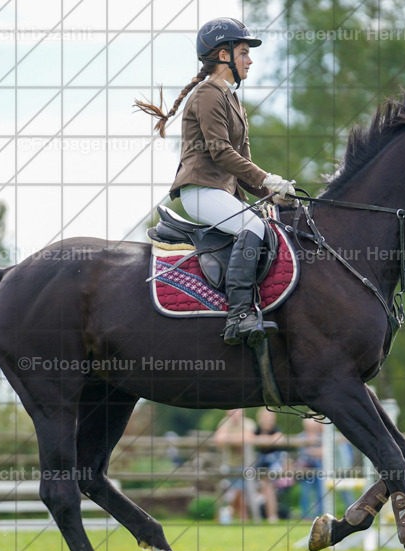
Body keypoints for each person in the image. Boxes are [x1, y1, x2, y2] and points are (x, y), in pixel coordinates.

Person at [135, 17, 298, 346]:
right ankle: (238, 316)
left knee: (271, 223)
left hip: (221, 191)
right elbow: (221, 152)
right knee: (252, 228)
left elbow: (244, 165)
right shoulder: (208, 93)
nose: (249, 59)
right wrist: (269, 178)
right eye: (243, 52)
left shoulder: (234, 101)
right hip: (200, 190)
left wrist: (273, 191)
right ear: (224, 55)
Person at [214, 408, 257, 522]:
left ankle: (242, 517)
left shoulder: (248, 423)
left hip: (246, 465)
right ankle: (240, 517)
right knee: (233, 493)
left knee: (241, 493)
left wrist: (229, 438)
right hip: (229, 465)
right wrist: (238, 439)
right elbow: (219, 439)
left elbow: (249, 438)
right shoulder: (224, 422)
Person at [253, 408, 287, 522]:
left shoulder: (276, 429)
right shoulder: (256, 430)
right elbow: (250, 438)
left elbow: (280, 439)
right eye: (266, 418)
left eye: (270, 418)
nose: (268, 420)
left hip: (274, 466)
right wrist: (268, 439)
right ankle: (268, 513)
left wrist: (262, 440)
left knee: (268, 486)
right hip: (259, 465)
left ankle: (272, 515)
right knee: (265, 487)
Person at [297, 419, 326, 520]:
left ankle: (320, 515)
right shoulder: (300, 436)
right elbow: (302, 452)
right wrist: (317, 451)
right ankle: (305, 515)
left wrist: (311, 450)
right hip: (306, 468)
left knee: (321, 492)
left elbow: (325, 452)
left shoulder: (321, 436)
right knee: (305, 493)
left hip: (319, 468)